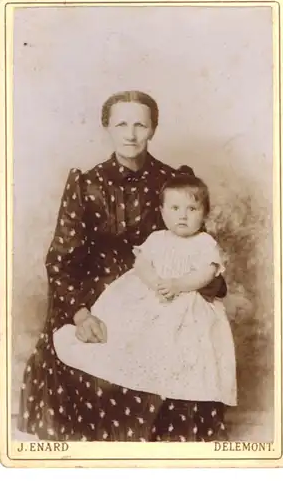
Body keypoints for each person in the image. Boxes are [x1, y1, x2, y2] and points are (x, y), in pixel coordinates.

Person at [18, 90, 228, 442]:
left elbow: (195, 247)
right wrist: (81, 314)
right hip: (94, 293)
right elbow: (61, 260)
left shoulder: (173, 181)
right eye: (121, 124)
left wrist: (191, 284)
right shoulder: (86, 184)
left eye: (140, 125)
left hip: (159, 290)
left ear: (153, 129)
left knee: (175, 352)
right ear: (107, 128)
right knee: (91, 358)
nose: (130, 134)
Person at [53, 171, 237, 411]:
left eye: (192, 209)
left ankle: (175, 391)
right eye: (175, 208)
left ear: (204, 214)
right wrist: (155, 282)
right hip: (153, 293)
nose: (183, 215)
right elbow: (141, 264)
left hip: (186, 299)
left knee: (183, 344)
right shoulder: (157, 238)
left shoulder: (204, 243)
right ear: (162, 211)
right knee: (130, 332)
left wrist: (178, 285)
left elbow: (207, 273)